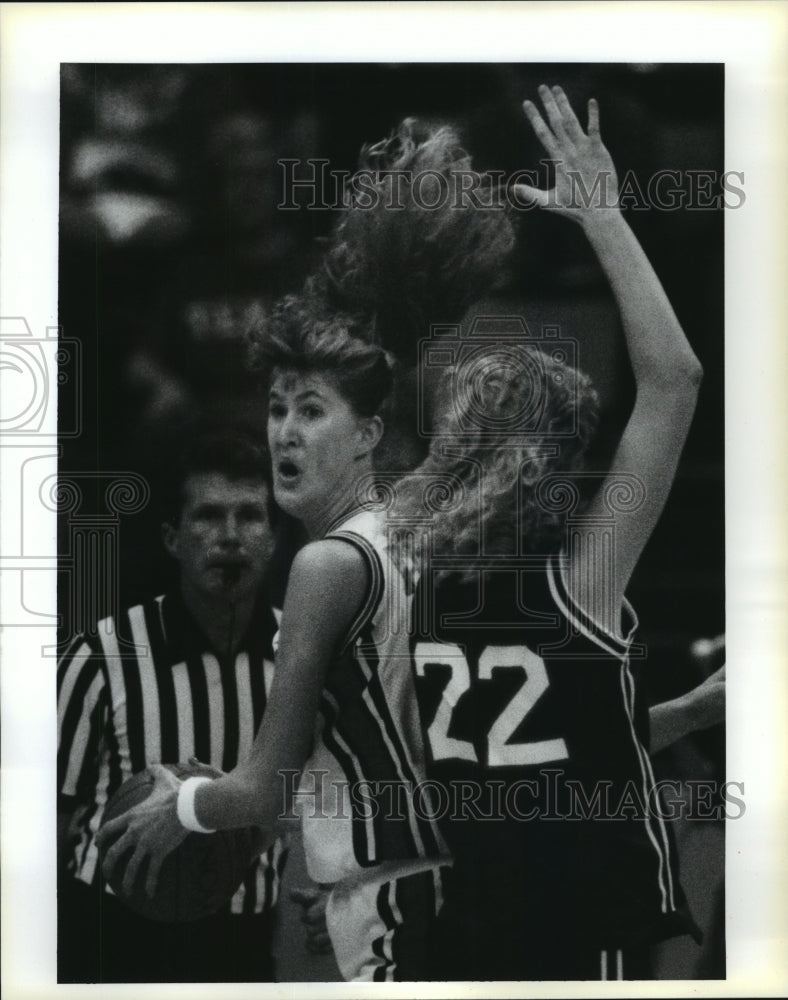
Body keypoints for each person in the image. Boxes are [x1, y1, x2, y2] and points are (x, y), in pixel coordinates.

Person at [390, 85, 708, 980]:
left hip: (460, 930)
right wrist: (602, 215)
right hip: (571, 935)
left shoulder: (421, 581)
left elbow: (542, 742)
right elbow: (675, 380)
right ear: (548, 462)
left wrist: (690, 712)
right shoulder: (580, 580)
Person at [99, 318, 452, 982]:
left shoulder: (326, 562)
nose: (284, 430)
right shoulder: (404, 536)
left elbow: (260, 790)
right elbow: (397, 747)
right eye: (277, 407)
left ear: (368, 435)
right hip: (428, 888)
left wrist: (179, 809)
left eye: (312, 411)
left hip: (401, 906)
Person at [57, 430, 289, 983]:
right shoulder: (99, 655)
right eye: (208, 515)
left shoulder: (303, 656)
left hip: (243, 941)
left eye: (250, 516)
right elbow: (47, 823)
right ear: (171, 538)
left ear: (275, 538)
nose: (230, 536)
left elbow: (316, 799)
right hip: (112, 934)